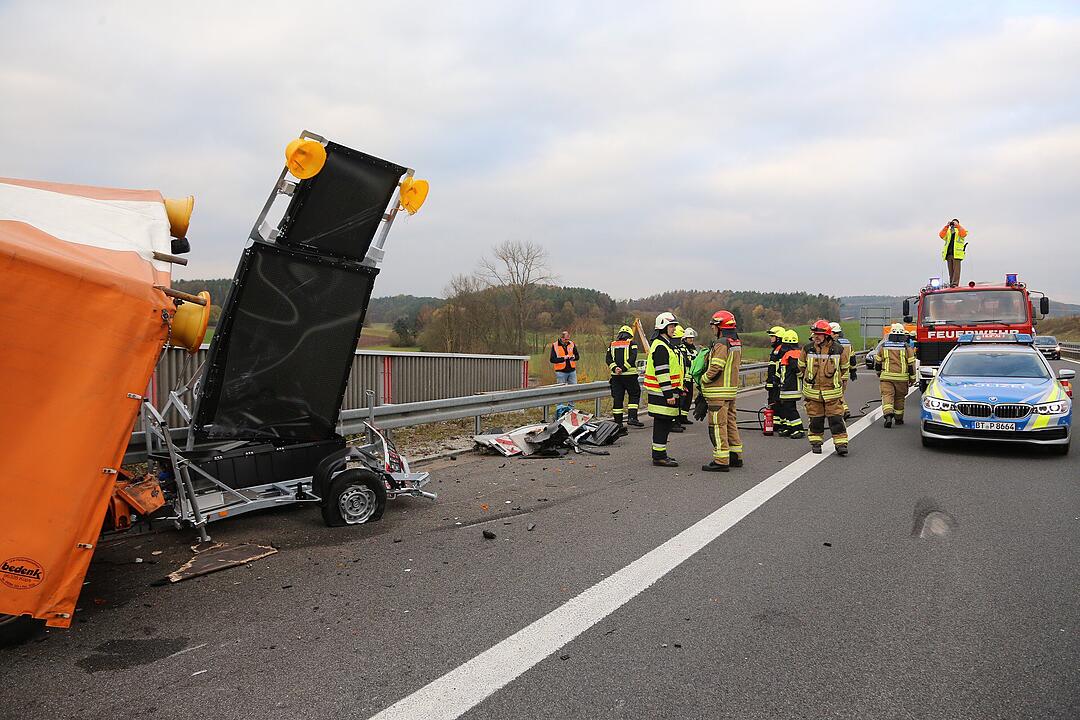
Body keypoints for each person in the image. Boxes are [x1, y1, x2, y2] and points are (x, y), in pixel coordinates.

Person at [699, 310, 743, 472]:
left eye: (714, 326)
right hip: (730, 391)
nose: (712, 329)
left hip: (717, 392)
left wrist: (704, 379)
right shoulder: (735, 342)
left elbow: (716, 367)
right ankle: (735, 456)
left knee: (717, 425)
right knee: (730, 423)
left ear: (720, 326)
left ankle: (721, 460)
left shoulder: (721, 343)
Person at [801, 320, 850, 455]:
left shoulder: (838, 349)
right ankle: (816, 443)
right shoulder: (807, 349)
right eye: (814, 334)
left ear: (827, 336)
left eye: (819, 334)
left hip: (832, 393)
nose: (816, 336)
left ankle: (841, 445)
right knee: (815, 420)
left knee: (836, 420)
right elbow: (801, 366)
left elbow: (845, 368)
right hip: (813, 392)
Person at [644, 312, 683, 467]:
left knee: (665, 423)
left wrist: (679, 389)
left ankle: (660, 454)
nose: (674, 329)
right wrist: (668, 393)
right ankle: (659, 456)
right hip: (661, 393)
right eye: (671, 326)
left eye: (674, 326)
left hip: (665, 392)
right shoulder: (660, 346)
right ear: (663, 327)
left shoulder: (665, 344)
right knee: (661, 424)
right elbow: (662, 372)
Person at [875, 323, 917, 427]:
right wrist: (912, 378)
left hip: (886, 377)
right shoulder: (907, 347)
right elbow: (911, 364)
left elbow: (878, 362)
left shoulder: (883, 346)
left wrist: (879, 373)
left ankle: (888, 414)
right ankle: (898, 419)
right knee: (899, 398)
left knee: (887, 396)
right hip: (902, 379)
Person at [606, 325, 643, 429]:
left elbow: (608, 359)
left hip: (616, 377)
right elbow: (633, 357)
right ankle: (632, 418)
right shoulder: (632, 343)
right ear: (630, 335)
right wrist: (623, 368)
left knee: (618, 398)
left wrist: (615, 369)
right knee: (634, 394)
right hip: (630, 375)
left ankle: (618, 422)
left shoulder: (612, 344)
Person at [776, 329, 805, 438]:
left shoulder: (792, 354)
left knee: (790, 409)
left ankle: (798, 429)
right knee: (786, 408)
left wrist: (800, 376)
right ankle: (789, 427)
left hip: (791, 387)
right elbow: (783, 370)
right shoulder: (791, 353)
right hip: (787, 386)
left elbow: (795, 368)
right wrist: (776, 379)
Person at [829, 322, 855, 419]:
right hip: (845, 373)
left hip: (836, 373)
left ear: (835, 333)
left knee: (837, 393)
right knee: (840, 393)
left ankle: (845, 409)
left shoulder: (833, 344)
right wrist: (853, 371)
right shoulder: (848, 343)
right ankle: (840, 411)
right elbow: (852, 357)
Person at [765, 326, 786, 428]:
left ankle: (778, 424)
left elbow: (780, 368)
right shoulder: (776, 350)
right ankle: (775, 424)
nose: (771, 339)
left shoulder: (781, 350)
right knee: (774, 403)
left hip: (777, 383)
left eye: (772, 336)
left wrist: (774, 381)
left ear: (778, 338)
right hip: (774, 382)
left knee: (777, 403)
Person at [679, 327, 700, 426]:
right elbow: (685, 362)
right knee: (682, 399)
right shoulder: (682, 348)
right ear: (684, 339)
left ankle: (684, 417)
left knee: (689, 398)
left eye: (692, 338)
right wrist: (694, 363)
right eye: (689, 338)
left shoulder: (694, 350)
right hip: (684, 378)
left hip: (691, 378)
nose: (691, 340)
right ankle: (678, 418)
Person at [939, 218, 968, 287]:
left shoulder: (960, 230)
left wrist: (958, 226)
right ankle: (951, 283)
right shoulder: (948, 231)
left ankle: (955, 283)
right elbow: (941, 235)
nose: (953, 224)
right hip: (949, 254)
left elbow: (963, 234)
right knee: (951, 271)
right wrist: (946, 226)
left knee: (956, 271)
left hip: (957, 254)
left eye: (955, 223)